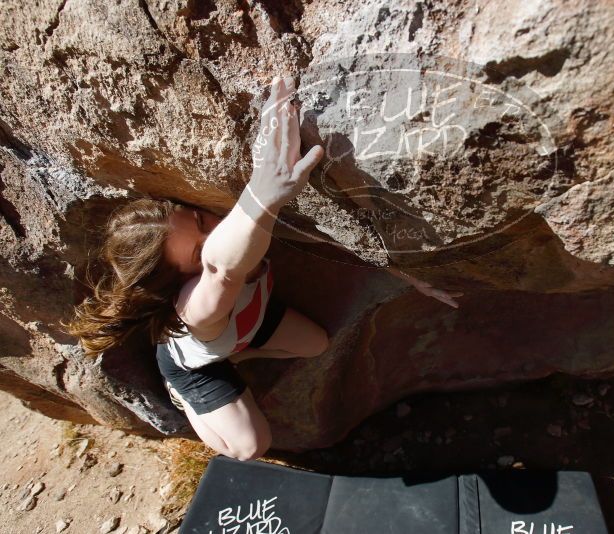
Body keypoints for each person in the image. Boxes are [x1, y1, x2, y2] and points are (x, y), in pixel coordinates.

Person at [64, 76, 463, 461]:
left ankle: (234, 356)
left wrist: (416, 281)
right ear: (182, 279)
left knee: (316, 344)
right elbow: (223, 270)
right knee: (250, 446)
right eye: (198, 251)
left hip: (246, 326)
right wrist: (261, 192)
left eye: (202, 221)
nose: (218, 230)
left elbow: (339, 241)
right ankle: (186, 396)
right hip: (198, 363)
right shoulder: (194, 308)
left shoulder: (233, 240)